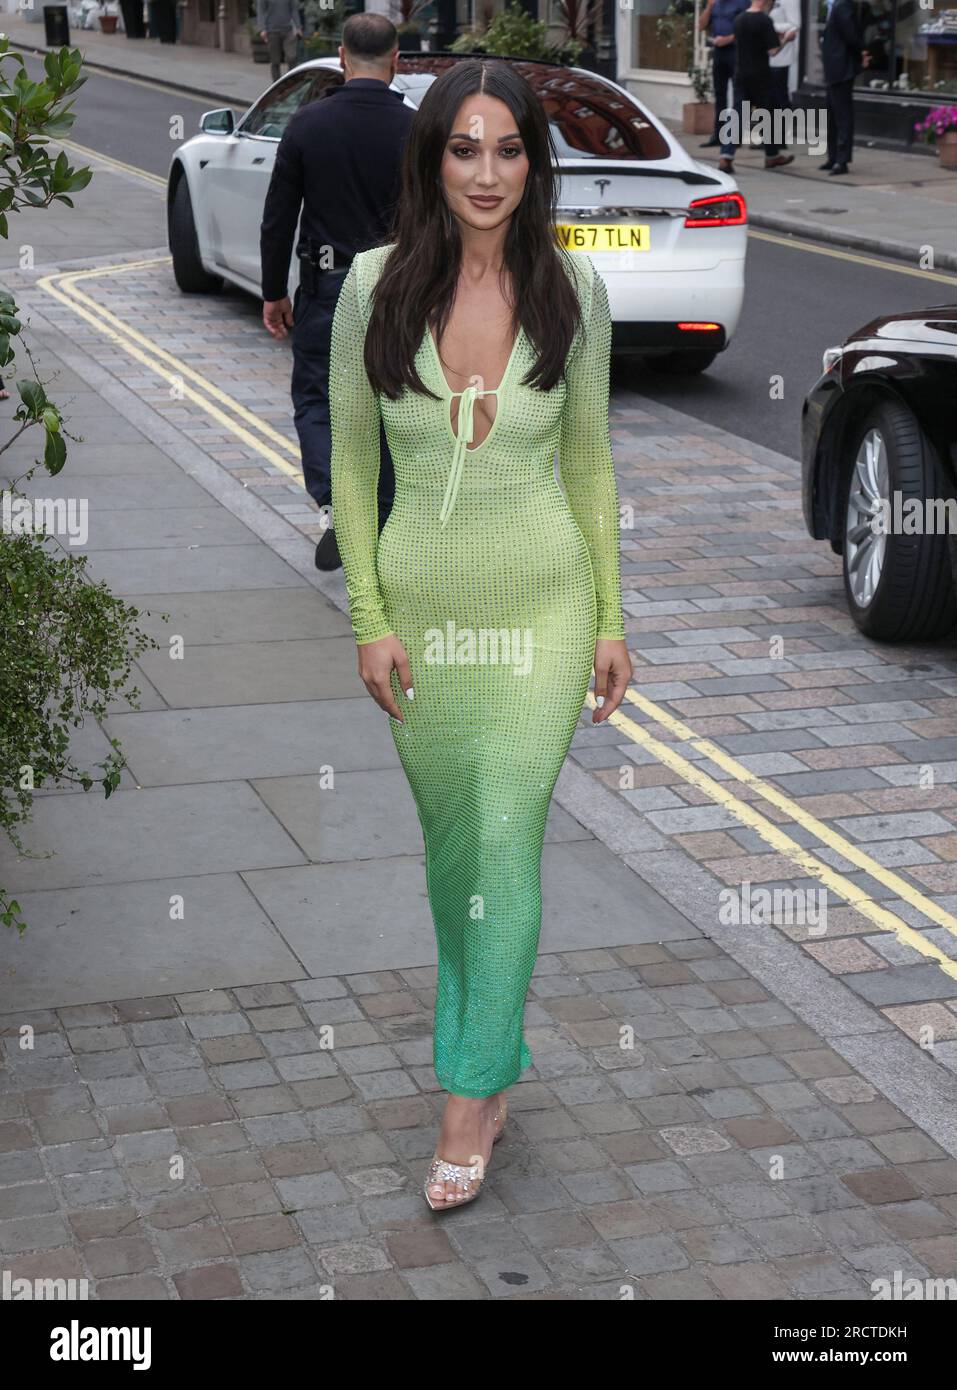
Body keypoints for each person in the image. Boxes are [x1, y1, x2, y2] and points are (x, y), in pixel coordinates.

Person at [329, 59, 633, 1210]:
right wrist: (368, 618)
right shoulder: (370, 288)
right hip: (424, 620)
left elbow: (591, 461)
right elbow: (354, 464)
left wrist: (610, 616)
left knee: (505, 834)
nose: (488, 172)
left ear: (534, 164)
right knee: (458, 858)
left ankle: (465, 1099)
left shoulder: (573, 292)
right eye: (465, 148)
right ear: (433, 159)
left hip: (543, 613)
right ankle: (494, 1052)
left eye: (510, 150)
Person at [260, 13, 413, 571]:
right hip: (400, 291)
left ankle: (334, 507)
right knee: (394, 402)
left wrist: (275, 291)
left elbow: (278, 218)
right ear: (396, 61)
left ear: (343, 58)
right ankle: (385, 513)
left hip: (328, 288)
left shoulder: (307, 125)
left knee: (318, 400)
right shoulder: (418, 129)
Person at [726, 0, 797, 173]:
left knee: (739, 113)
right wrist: (787, 39)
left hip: (740, 73)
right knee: (768, 114)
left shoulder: (739, 19)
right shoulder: (765, 21)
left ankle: (726, 155)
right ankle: (771, 156)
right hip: (760, 76)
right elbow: (772, 51)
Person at [821, 0, 871, 175]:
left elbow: (850, 35)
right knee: (832, 113)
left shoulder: (843, 5)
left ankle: (842, 160)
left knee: (842, 115)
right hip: (833, 68)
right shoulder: (836, 6)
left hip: (841, 68)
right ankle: (833, 156)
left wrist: (862, 51)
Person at [698, 0, 749, 166]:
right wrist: (709, 6)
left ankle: (733, 139)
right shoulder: (715, 4)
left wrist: (728, 39)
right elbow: (701, 25)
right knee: (719, 94)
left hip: (736, 51)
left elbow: (747, 29)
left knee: (738, 98)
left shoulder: (742, 3)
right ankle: (718, 135)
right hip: (719, 52)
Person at [256, 0, 302, 84]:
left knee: (291, 57)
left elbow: (294, 10)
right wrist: (262, 28)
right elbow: (261, 11)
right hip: (271, 31)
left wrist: (298, 27)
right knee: (275, 61)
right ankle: (277, 85)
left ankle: (293, 83)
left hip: (289, 30)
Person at [768, 0, 802, 114]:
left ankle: (782, 129)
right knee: (765, 98)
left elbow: (795, 25)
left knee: (778, 96)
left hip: (780, 57)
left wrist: (769, 26)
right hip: (761, 56)